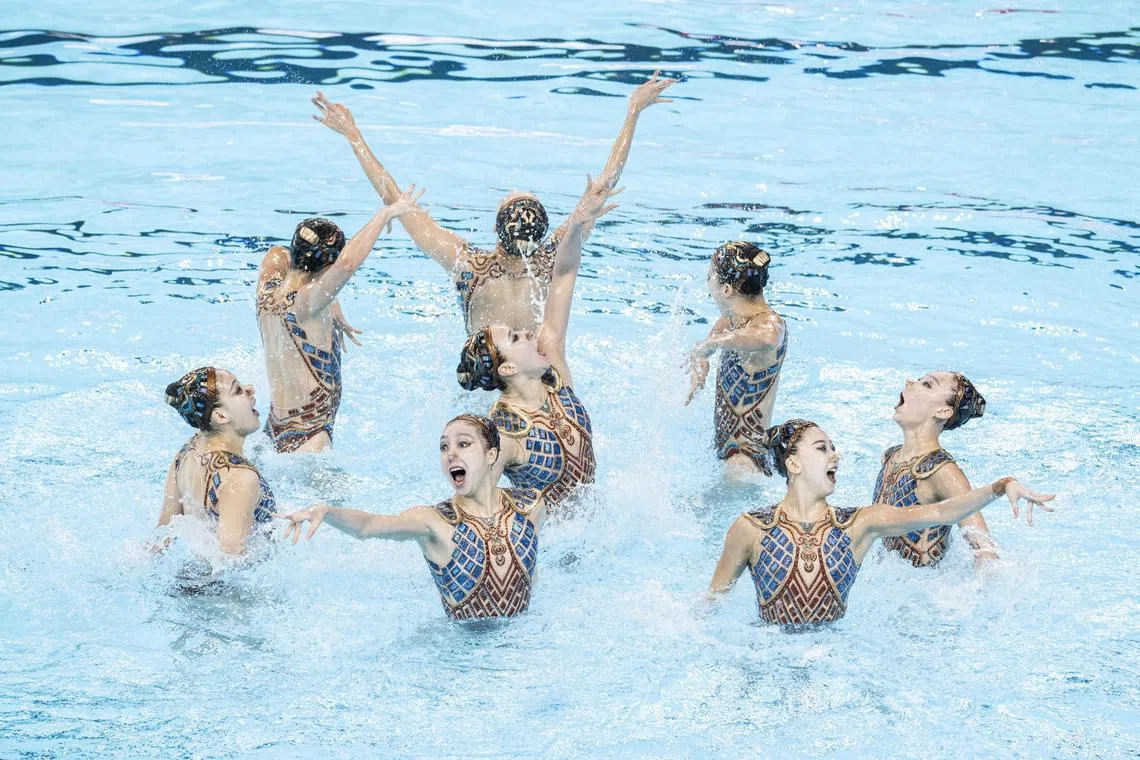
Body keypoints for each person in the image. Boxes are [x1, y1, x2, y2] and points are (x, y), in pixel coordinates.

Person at [310, 71, 676, 333]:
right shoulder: (555, 259)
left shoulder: (468, 264)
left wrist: (353, 135)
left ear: (496, 228)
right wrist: (633, 114)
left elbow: (395, 198)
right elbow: (605, 184)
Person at [708, 419, 1054, 626]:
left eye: (833, 447)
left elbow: (941, 513)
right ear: (793, 464)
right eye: (821, 448)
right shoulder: (751, 528)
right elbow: (712, 602)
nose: (835, 455)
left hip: (833, 657)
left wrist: (1001, 486)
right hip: (766, 654)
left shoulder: (860, 524)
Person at [275, 415, 547, 620]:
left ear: (491, 455)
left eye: (463, 444)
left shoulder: (530, 506)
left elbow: (529, 574)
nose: (451, 453)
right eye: (443, 447)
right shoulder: (435, 522)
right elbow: (369, 526)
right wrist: (328, 511)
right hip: (465, 654)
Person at [454, 175, 619, 510]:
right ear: (508, 366)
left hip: (598, 528)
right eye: (515, 338)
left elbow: (564, 272)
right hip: (551, 543)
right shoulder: (503, 429)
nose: (528, 332)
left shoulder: (554, 370)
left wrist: (576, 223)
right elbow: (476, 500)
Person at [257, 188, 422, 453]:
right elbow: (346, 265)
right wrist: (384, 215)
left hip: (273, 433)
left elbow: (277, 252)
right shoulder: (308, 303)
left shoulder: (267, 290)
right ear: (327, 271)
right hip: (310, 440)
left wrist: (330, 299)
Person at [875, 372, 998, 567]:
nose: (909, 381)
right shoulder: (890, 457)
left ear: (943, 411)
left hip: (922, 590)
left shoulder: (942, 472)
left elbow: (984, 548)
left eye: (927, 384)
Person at [685, 242, 787, 477]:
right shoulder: (731, 322)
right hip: (728, 456)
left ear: (726, 290)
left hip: (747, 463)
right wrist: (700, 364)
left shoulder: (770, 322)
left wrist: (713, 344)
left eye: (710, 277)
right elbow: (704, 351)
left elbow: (769, 338)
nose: (707, 283)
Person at [154, 367, 277, 557]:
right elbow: (232, 562)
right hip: (220, 585)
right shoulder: (241, 479)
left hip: (190, 577)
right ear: (220, 416)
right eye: (238, 391)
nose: (250, 389)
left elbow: (162, 535)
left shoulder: (188, 451)